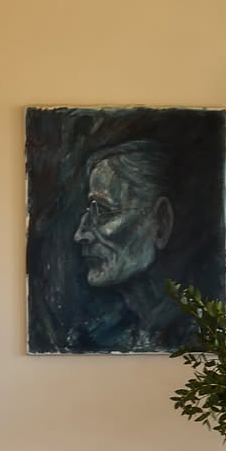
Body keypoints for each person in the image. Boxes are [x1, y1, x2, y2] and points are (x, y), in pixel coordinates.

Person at [73, 140, 182, 349]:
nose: (80, 235)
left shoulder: (198, 331)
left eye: (104, 211)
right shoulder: (93, 335)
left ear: (161, 221)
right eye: (89, 212)